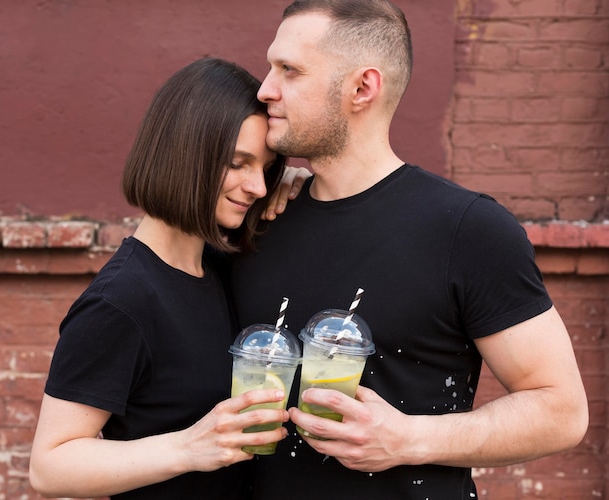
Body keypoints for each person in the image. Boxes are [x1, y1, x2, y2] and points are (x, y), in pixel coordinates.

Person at [230, 1, 589, 498]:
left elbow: (561, 411)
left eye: (289, 70)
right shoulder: (256, 216)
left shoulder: (467, 229)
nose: (265, 89)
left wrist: (408, 439)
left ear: (362, 88)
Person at [29, 57, 299, 499]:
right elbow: (50, 465)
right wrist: (190, 447)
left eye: (265, 168)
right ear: (184, 155)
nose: (258, 187)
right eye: (237, 163)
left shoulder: (220, 264)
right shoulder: (121, 300)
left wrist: (297, 184)